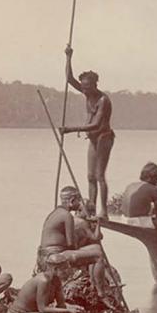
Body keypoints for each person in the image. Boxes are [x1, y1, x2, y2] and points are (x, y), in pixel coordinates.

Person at [60, 46, 114, 219]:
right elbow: (69, 79)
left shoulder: (103, 100)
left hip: (104, 137)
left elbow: (96, 124)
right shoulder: (86, 93)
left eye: (87, 87)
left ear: (95, 85)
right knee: (90, 176)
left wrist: (70, 130)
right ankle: (90, 209)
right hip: (92, 139)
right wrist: (69, 56)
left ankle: (103, 211)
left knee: (99, 175)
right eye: (82, 87)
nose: (84, 90)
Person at [36, 186, 107, 302]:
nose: (79, 204)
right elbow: (71, 244)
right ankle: (101, 293)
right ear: (72, 201)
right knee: (98, 255)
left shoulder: (56, 212)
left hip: (47, 255)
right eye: (78, 200)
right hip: (53, 257)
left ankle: (96, 286)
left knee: (96, 247)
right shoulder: (67, 216)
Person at [5, 253, 84, 313]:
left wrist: (71, 309)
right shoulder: (44, 281)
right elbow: (42, 309)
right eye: (64, 269)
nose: (68, 272)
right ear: (55, 269)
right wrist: (68, 309)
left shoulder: (56, 281)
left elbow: (61, 305)